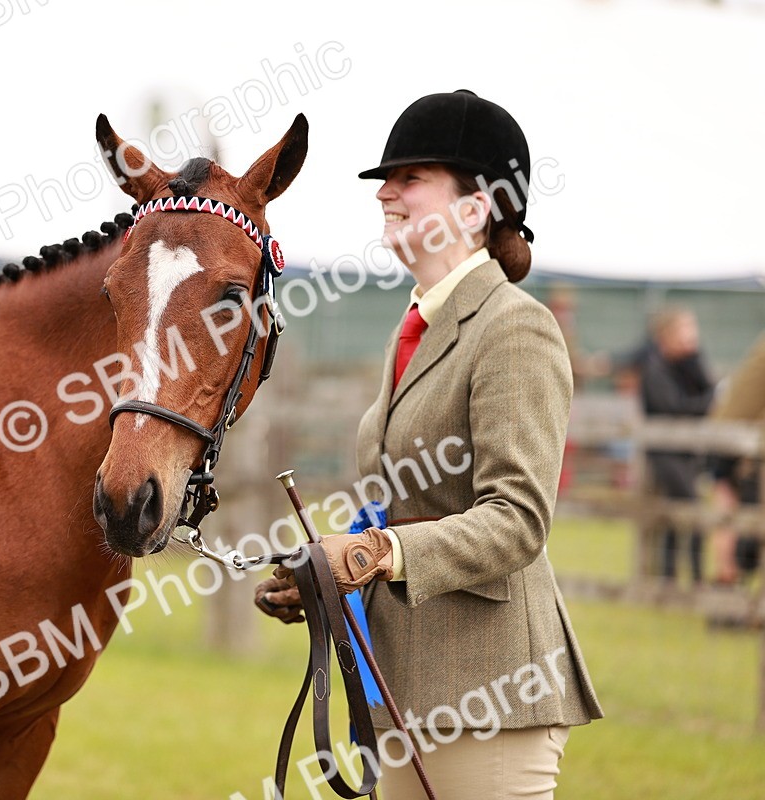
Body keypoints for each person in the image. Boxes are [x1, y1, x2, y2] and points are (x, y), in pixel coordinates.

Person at [254, 90, 602, 799]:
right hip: (404, 690)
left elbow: (518, 519)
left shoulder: (515, 328)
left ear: (474, 209)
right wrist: (327, 576)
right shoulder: (410, 327)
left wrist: (379, 554)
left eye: (411, 178)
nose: (386, 192)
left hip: (492, 691)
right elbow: (403, 507)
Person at [639, 306, 715, 583]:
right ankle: (691, 578)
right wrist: (709, 400)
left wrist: (694, 356)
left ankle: (670, 578)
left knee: (677, 514)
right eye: (684, 330)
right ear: (666, 335)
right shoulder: (655, 369)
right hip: (664, 456)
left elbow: (706, 388)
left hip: (687, 455)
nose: (690, 336)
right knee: (691, 511)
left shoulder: (687, 365)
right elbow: (676, 408)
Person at [709, 332, 765, 584]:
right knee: (728, 510)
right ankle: (726, 580)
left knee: (731, 508)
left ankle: (729, 580)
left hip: (732, 434)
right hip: (730, 439)